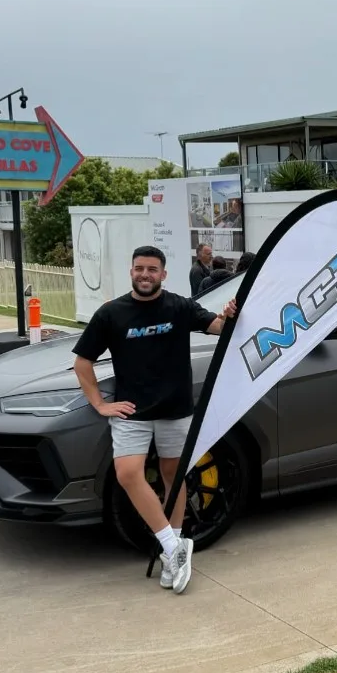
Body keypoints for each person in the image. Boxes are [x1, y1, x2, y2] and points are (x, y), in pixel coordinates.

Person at [72, 245, 237, 594]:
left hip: (175, 409)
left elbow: (218, 327)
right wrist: (100, 404)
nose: (144, 275)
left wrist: (230, 314)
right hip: (132, 413)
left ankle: (171, 551)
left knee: (172, 478)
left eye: (151, 269)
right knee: (128, 473)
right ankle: (174, 546)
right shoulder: (111, 314)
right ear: (131, 272)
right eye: (138, 269)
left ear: (163, 274)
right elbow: (82, 363)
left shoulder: (179, 306)